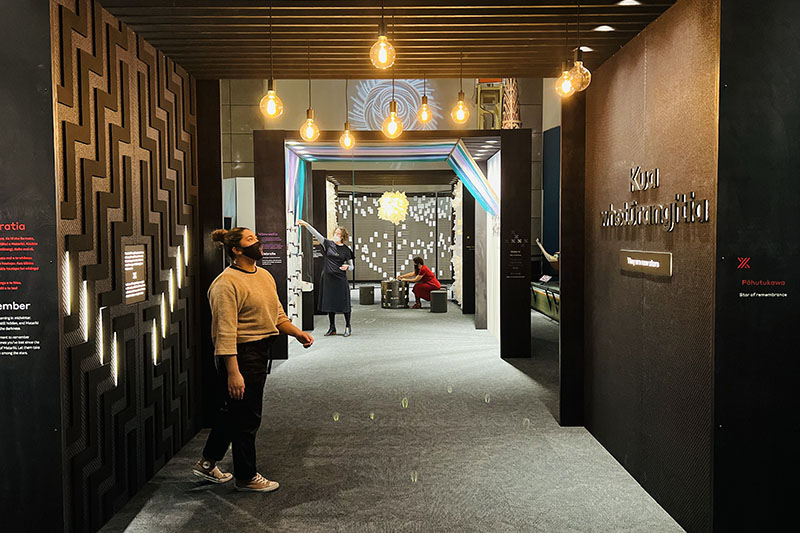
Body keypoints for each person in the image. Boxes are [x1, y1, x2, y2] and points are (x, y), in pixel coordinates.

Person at [192, 227, 314, 492]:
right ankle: (246, 477)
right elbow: (224, 333)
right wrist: (233, 372)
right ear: (236, 250)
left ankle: (207, 462)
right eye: (250, 239)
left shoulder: (265, 275)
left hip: (260, 353)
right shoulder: (225, 283)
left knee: (232, 412)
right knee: (247, 418)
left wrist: (297, 333)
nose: (258, 242)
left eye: (256, 237)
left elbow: (277, 314)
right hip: (241, 356)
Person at [297, 219, 355, 337]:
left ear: (343, 236)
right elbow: (316, 234)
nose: (336, 235)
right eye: (336, 233)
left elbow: (352, 267)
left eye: (339, 234)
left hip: (340, 279)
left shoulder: (347, 250)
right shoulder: (328, 244)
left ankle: (348, 326)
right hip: (328, 278)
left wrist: (347, 267)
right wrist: (306, 224)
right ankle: (332, 327)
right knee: (330, 302)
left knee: (344, 303)